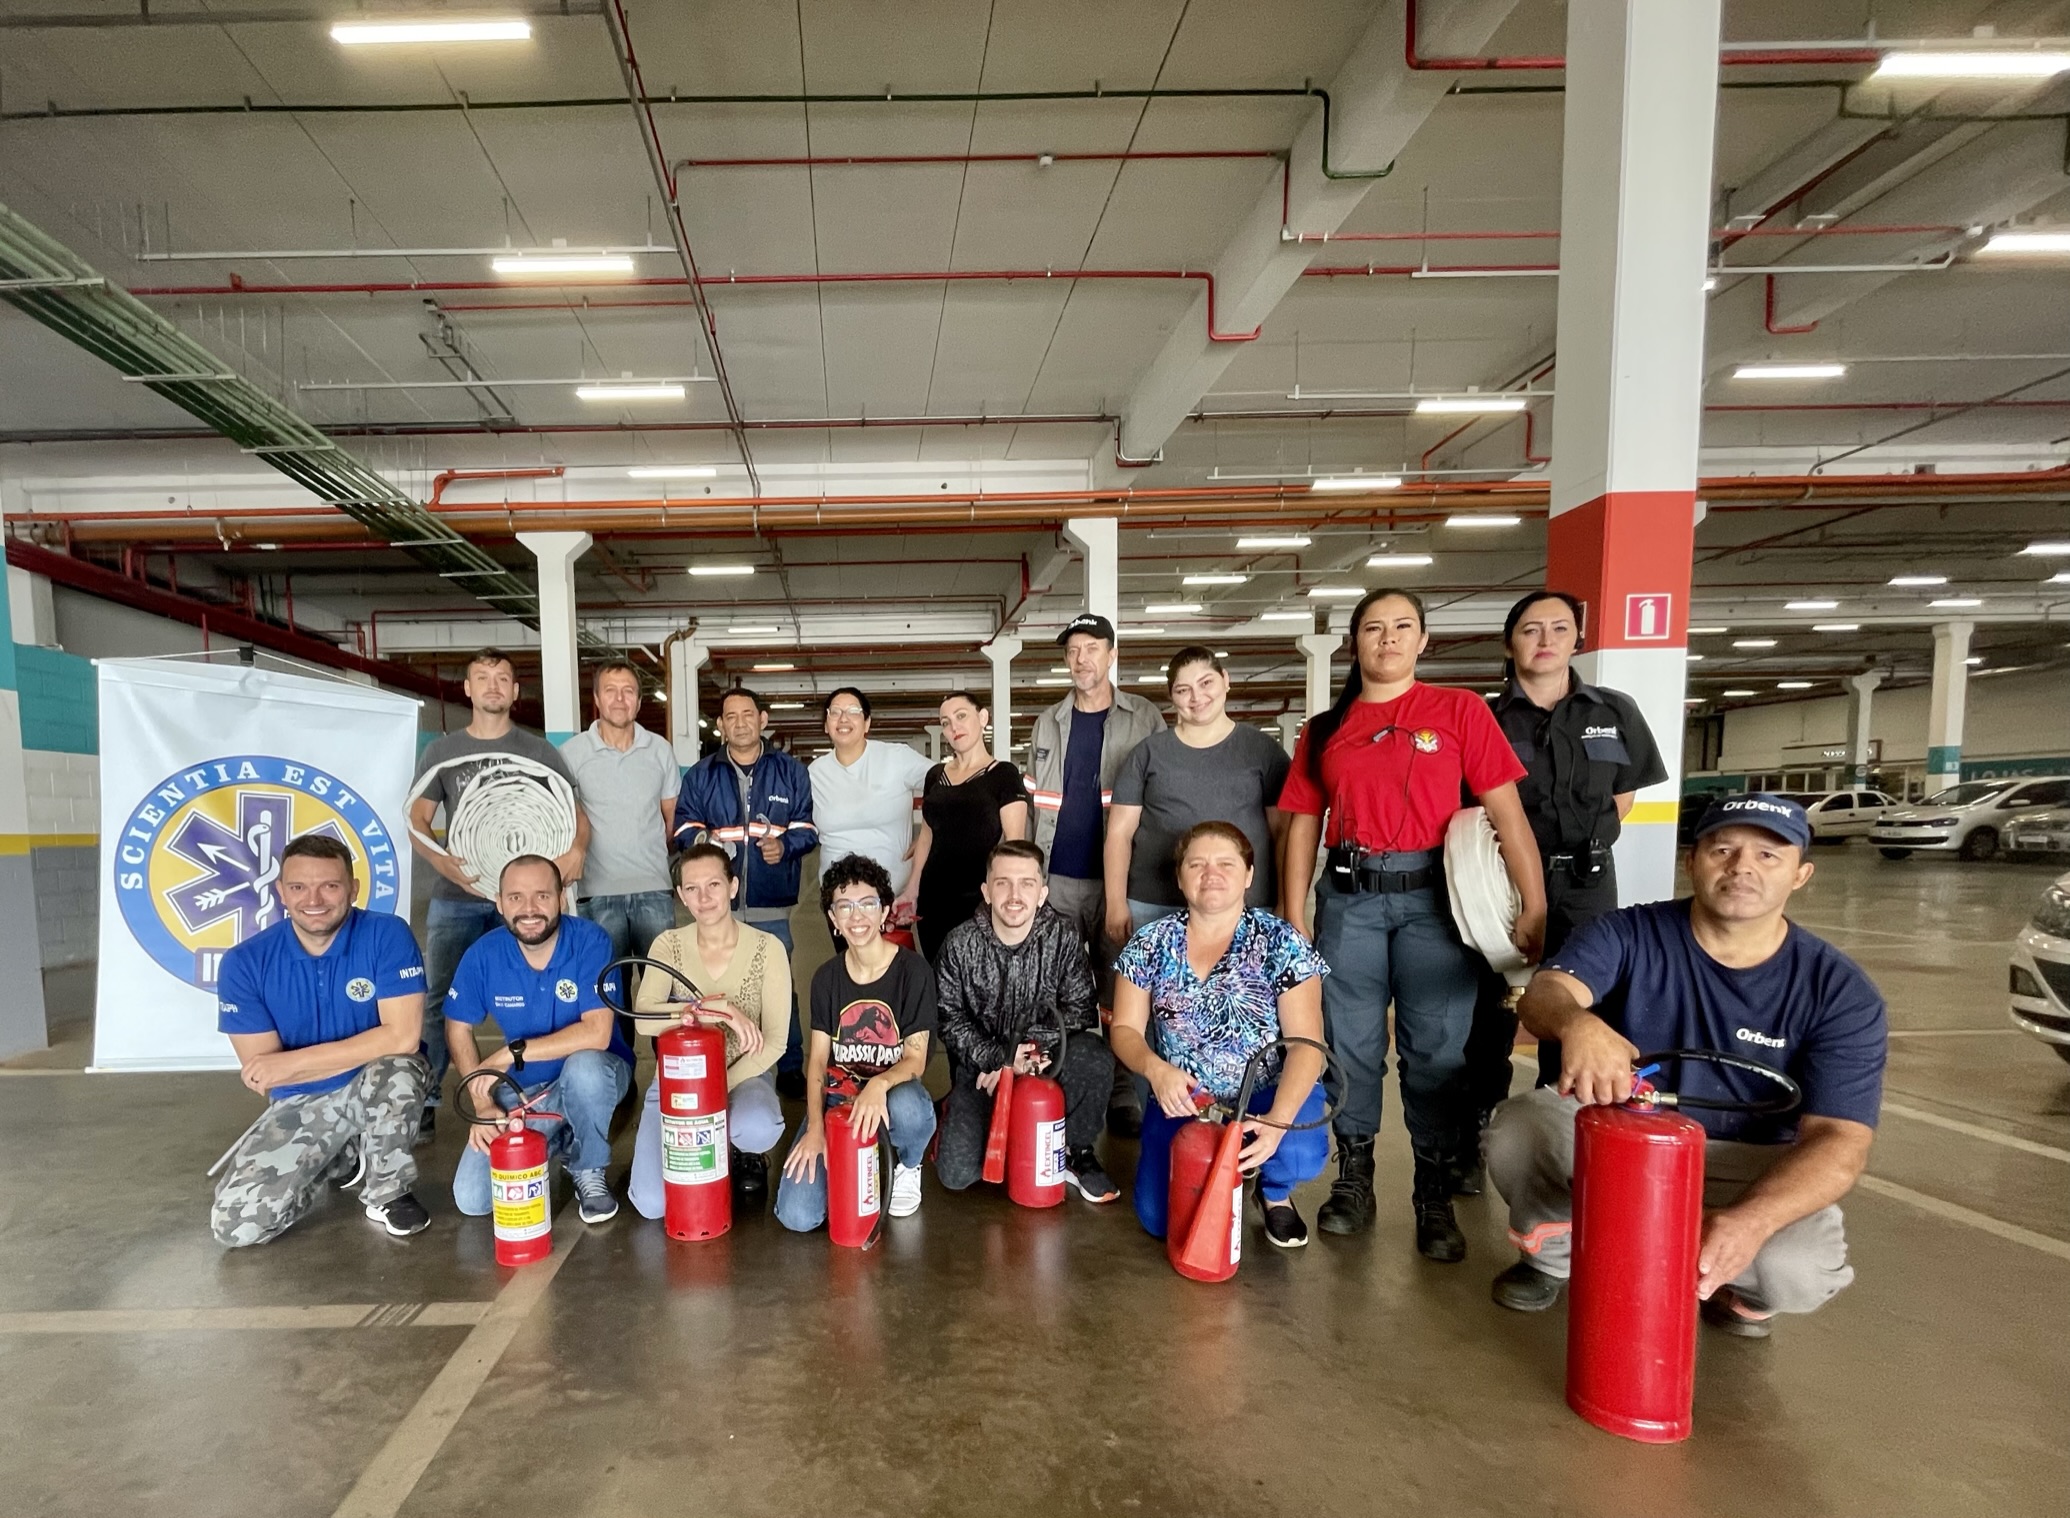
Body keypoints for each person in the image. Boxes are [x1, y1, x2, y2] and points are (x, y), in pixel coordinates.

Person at [1485, 794, 1887, 1338]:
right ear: (1692, 861)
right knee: (1521, 1129)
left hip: (1752, 1159)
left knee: (1797, 1269)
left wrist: (1753, 1221)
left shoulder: (1840, 991)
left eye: (1768, 855)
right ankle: (1556, 1255)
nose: (1742, 866)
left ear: (1800, 874)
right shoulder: (1627, 933)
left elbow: (1842, 1140)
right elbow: (1545, 994)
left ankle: (1742, 1289)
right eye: (1723, 849)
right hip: (1630, 1136)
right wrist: (1576, 1023)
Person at [1277, 588, 1547, 1262]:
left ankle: (1433, 1190)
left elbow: (1508, 815)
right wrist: (1292, 911)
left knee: (1436, 1050)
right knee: (1351, 1045)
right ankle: (1354, 1179)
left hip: (1435, 905)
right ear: (1355, 642)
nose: (1388, 638)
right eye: (1374, 628)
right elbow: (1303, 824)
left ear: (1423, 640)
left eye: (1402, 627)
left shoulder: (1459, 711)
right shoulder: (1325, 729)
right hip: (1350, 903)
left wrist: (1534, 903)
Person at [1111, 822, 1331, 1250]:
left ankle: (1274, 1191)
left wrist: (1277, 1122)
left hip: (1268, 1094)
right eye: (1197, 864)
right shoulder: (1150, 942)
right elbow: (1124, 1030)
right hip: (1186, 1099)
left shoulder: (1281, 942)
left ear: (1249, 875)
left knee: (1298, 1153)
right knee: (1158, 1219)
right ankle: (1223, 1169)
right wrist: (1155, 1069)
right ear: (1180, 878)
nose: (1211, 874)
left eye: (1226, 864)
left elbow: (1307, 1047)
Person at [211, 834, 432, 1246]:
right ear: (281, 892)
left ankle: (387, 1192)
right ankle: (342, 1155)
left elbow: (403, 1037)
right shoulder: (244, 962)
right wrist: (365, 1046)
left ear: (353, 888)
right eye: (298, 887)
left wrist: (293, 1062)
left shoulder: (386, 934)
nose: (313, 899)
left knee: (398, 1070)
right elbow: (265, 1072)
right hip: (301, 1100)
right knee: (236, 1228)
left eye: (329, 885)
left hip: (374, 1084)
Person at [410, 647, 590, 1141]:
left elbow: (576, 814)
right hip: (459, 896)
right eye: (483, 677)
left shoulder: (539, 752)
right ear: (468, 688)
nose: (493, 685)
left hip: (528, 901)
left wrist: (576, 849)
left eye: (503, 678)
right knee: (441, 1000)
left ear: (515, 691)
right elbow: (418, 820)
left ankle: (557, 1088)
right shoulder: (443, 752)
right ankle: (426, 1099)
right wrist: (442, 862)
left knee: (550, 994)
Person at [1027, 611, 1163, 1135]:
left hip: (1117, 882)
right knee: (1055, 986)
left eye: (1091, 649)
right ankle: (1060, 1076)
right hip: (1057, 879)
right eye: (1072, 651)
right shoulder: (1048, 721)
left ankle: (1123, 1090)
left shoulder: (1143, 717)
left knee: (1119, 986)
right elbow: (1037, 803)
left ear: (1111, 654)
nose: (1080, 659)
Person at [444, 855, 633, 1226]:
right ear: (499, 903)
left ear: (561, 898)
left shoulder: (590, 940)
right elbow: (457, 1028)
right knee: (473, 1198)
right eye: (515, 897)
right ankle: (562, 1136)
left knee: (584, 1069)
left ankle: (588, 1167)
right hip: (527, 1088)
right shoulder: (483, 954)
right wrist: (482, 1104)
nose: (529, 909)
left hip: (598, 1074)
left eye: (542, 896)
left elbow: (597, 1033)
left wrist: (510, 1052)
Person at [934, 840, 1120, 1203]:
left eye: (1027, 884)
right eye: (1003, 883)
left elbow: (1082, 1008)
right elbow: (948, 1018)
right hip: (984, 1070)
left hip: (1046, 1060)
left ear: (1042, 893)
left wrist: (1025, 1051)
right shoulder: (959, 944)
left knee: (1094, 1056)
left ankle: (1076, 1150)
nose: (1014, 895)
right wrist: (1000, 1058)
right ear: (987, 891)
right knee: (957, 1175)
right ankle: (957, 1110)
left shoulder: (1063, 937)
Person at [776, 855, 939, 1231]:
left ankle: (906, 1163)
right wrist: (815, 1128)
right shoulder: (826, 979)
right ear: (833, 919)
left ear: (884, 911)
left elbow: (915, 1060)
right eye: (844, 906)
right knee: (799, 1216)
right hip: (839, 1101)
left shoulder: (913, 972)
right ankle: (854, 1162)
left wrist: (878, 1085)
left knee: (912, 1109)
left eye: (867, 903)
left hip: (892, 1098)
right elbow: (818, 1061)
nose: (856, 916)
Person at [627, 844, 792, 1214]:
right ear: (681, 895)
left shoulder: (768, 948)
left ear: (733, 886)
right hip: (676, 1081)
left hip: (744, 1075)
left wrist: (712, 1093)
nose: (703, 898)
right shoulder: (668, 944)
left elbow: (776, 1041)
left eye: (713, 885)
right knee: (652, 1204)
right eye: (692, 888)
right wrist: (722, 1010)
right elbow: (644, 1019)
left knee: (759, 1127)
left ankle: (740, 1150)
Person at [673, 685, 817, 1094]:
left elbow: (807, 828)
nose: (740, 723)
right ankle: (727, 1058)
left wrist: (785, 846)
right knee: (718, 986)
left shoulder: (791, 771)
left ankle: (790, 1063)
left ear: (763, 720)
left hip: (772, 904)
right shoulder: (701, 775)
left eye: (748, 714)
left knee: (779, 987)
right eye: (731, 717)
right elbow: (683, 828)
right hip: (717, 905)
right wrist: (706, 841)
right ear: (720, 725)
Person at [1104, 645, 1290, 943]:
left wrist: (1286, 903)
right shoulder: (1147, 754)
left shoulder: (1264, 752)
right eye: (1183, 690)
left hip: (1246, 906)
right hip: (1155, 905)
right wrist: (1115, 903)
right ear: (1171, 696)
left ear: (1225, 680)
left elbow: (1283, 833)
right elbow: (1119, 834)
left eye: (1206, 683)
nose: (1196, 697)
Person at [896, 691, 1030, 964]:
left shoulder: (1004, 775)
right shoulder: (935, 776)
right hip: (934, 900)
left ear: (983, 718)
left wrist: (1006, 897)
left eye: (961, 716)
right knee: (939, 974)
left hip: (979, 900)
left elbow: (1014, 844)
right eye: (946, 722)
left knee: (979, 977)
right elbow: (927, 836)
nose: (954, 727)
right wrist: (912, 889)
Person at [561, 659, 681, 964]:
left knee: (663, 983)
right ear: (597, 699)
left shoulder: (660, 750)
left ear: (638, 702)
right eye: (610, 690)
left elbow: (671, 818)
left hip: (654, 889)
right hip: (596, 893)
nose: (619, 699)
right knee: (607, 986)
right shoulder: (572, 754)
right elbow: (565, 819)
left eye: (628, 691)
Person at [807, 685, 931, 935]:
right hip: (839, 902)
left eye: (853, 711)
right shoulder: (815, 773)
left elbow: (948, 785)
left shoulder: (896, 758)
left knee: (893, 961)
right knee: (848, 961)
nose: (843, 718)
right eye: (835, 712)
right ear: (826, 725)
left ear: (867, 723)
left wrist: (927, 836)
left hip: (891, 901)